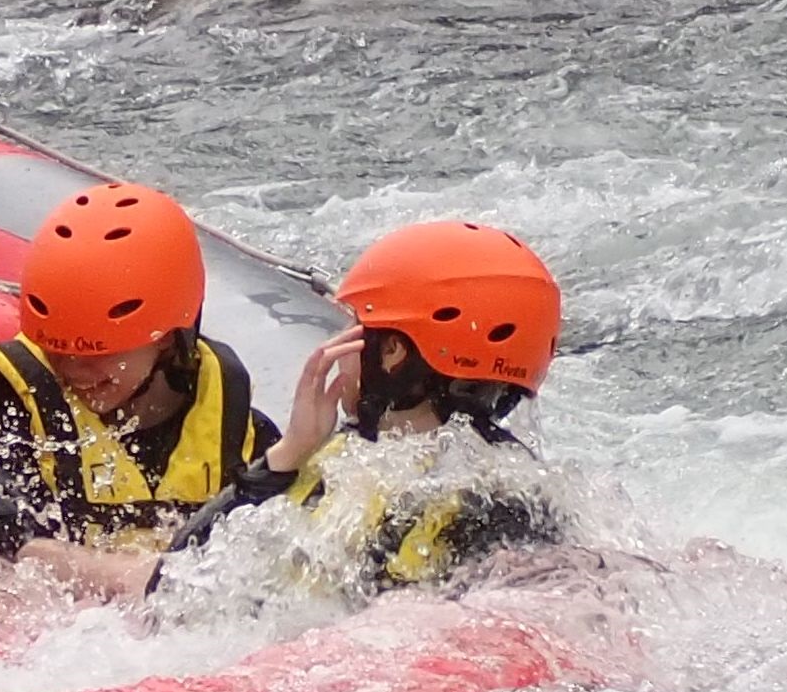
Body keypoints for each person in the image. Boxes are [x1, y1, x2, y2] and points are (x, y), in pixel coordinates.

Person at [170, 219, 564, 587]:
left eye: (354, 326)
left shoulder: (498, 507)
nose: (338, 343)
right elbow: (173, 581)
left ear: (391, 352)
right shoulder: (348, 451)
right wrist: (287, 455)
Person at [0, 182, 275, 600]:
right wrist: (136, 577)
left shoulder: (238, 426)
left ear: (166, 337)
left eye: (102, 352)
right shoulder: (4, 404)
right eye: (58, 351)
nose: (76, 371)